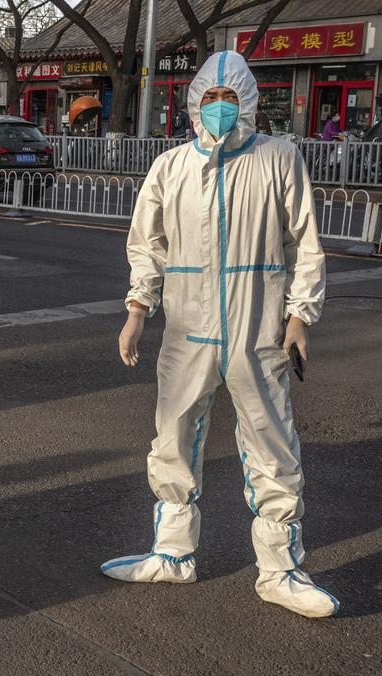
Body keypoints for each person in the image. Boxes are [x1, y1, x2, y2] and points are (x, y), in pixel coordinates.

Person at [104, 51, 336, 618]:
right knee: (173, 436)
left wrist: (300, 315)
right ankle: (173, 553)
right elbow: (147, 246)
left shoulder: (278, 158)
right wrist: (138, 309)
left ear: (250, 103)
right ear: (193, 105)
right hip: (188, 329)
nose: (220, 110)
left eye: (230, 100)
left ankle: (279, 568)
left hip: (258, 328)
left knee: (271, 443)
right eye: (210, 100)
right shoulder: (170, 167)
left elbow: (304, 240)